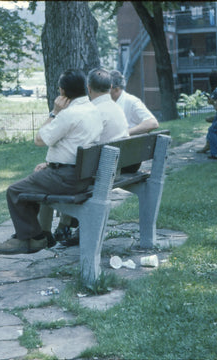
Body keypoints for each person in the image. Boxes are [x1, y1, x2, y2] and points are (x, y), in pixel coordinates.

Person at [0, 69, 103, 255]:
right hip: (84, 175)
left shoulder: (69, 114)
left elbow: (39, 140)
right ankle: (38, 234)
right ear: (85, 87)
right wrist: (51, 164)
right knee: (35, 179)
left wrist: (54, 112)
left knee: (15, 191)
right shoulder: (93, 110)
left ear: (62, 92)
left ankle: (32, 239)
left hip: (66, 178)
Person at [50, 67, 130, 248]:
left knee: (64, 170)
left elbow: (78, 150)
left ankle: (62, 226)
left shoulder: (92, 111)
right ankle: (66, 226)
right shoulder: (116, 108)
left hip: (100, 170)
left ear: (88, 87)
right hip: (116, 167)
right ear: (110, 87)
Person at [109, 70, 159, 135]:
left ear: (117, 89)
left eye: (107, 88)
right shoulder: (108, 103)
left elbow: (152, 123)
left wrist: (125, 133)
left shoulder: (131, 101)